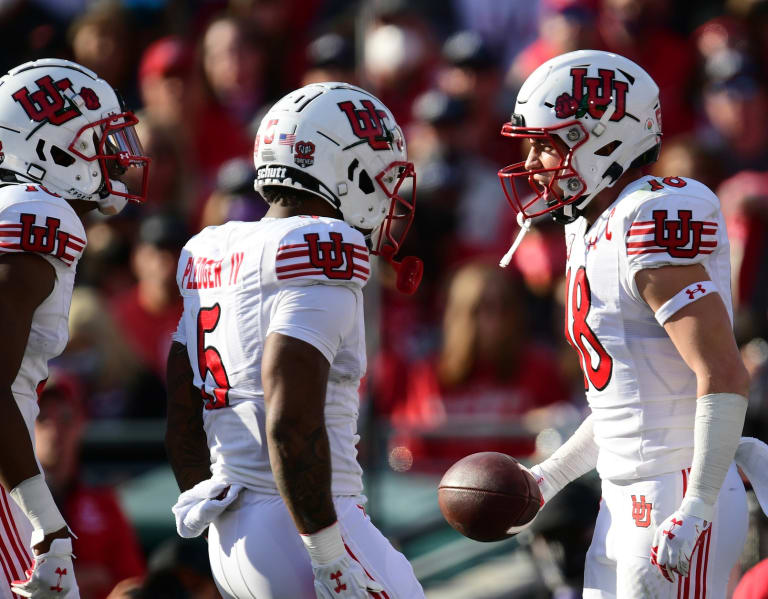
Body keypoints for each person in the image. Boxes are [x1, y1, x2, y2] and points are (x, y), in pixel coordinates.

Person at [496, 49, 755, 597]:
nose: (535, 161)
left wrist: (698, 505)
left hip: (678, 494)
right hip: (622, 496)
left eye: (548, 143)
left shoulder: (651, 217)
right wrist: (550, 477)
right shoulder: (589, 228)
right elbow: (625, 409)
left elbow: (725, 373)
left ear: (604, 138)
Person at [165, 82, 425, 598]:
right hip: (304, 524)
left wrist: (227, 514)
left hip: (234, 529)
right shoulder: (324, 247)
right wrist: (328, 557)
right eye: (382, 172)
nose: (389, 190)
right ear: (345, 169)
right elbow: (291, 421)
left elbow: (181, 411)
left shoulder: (213, 246)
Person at [0, 58, 149, 598]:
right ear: (51, 147)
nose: (114, 156)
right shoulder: (35, 217)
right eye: (99, 141)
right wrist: (47, 524)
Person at [34, 370, 146, 599]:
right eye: (42, 418)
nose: (55, 431)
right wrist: (81, 579)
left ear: (81, 423)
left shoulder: (104, 504)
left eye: (65, 418)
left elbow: (133, 582)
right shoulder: (8, 507)